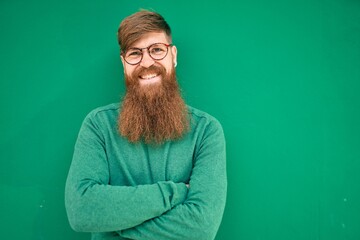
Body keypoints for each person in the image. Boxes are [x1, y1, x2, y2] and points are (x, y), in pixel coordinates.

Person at [65, 10, 227, 240]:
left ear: (174, 55)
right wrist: (175, 193)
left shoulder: (207, 131)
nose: (147, 62)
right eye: (135, 53)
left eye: (157, 50)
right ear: (124, 63)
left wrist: (113, 224)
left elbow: (201, 229)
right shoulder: (98, 125)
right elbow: (81, 211)